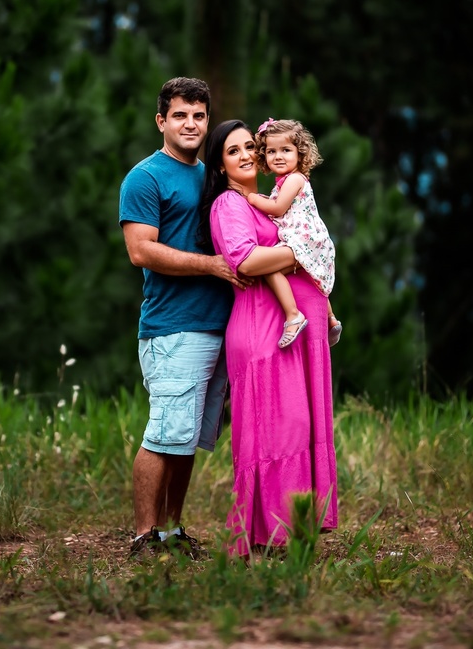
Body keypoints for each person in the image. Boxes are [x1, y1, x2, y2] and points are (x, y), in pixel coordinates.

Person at [198, 119, 339, 558]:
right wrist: (300, 254)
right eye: (232, 151)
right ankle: (267, 532)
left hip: (287, 327)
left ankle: (295, 527)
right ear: (219, 166)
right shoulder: (229, 203)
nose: (245, 156)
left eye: (248, 147)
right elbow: (244, 260)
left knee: (296, 428)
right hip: (260, 329)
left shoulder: (271, 198)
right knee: (276, 431)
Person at [118, 77, 246, 560]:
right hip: (173, 327)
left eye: (198, 115)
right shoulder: (145, 177)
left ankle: (171, 532)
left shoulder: (212, 175)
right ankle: (143, 536)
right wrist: (210, 265)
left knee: (185, 438)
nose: (190, 124)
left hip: (217, 325)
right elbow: (140, 250)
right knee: (163, 434)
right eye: (179, 115)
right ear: (161, 121)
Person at [243, 118, 342, 349]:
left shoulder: (295, 179)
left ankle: (293, 315)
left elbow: (278, 208)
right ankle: (330, 319)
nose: (278, 156)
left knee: (269, 268)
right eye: (271, 151)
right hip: (309, 239)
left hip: (304, 239)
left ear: (300, 153)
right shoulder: (285, 182)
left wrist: (252, 198)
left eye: (286, 150)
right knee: (314, 275)